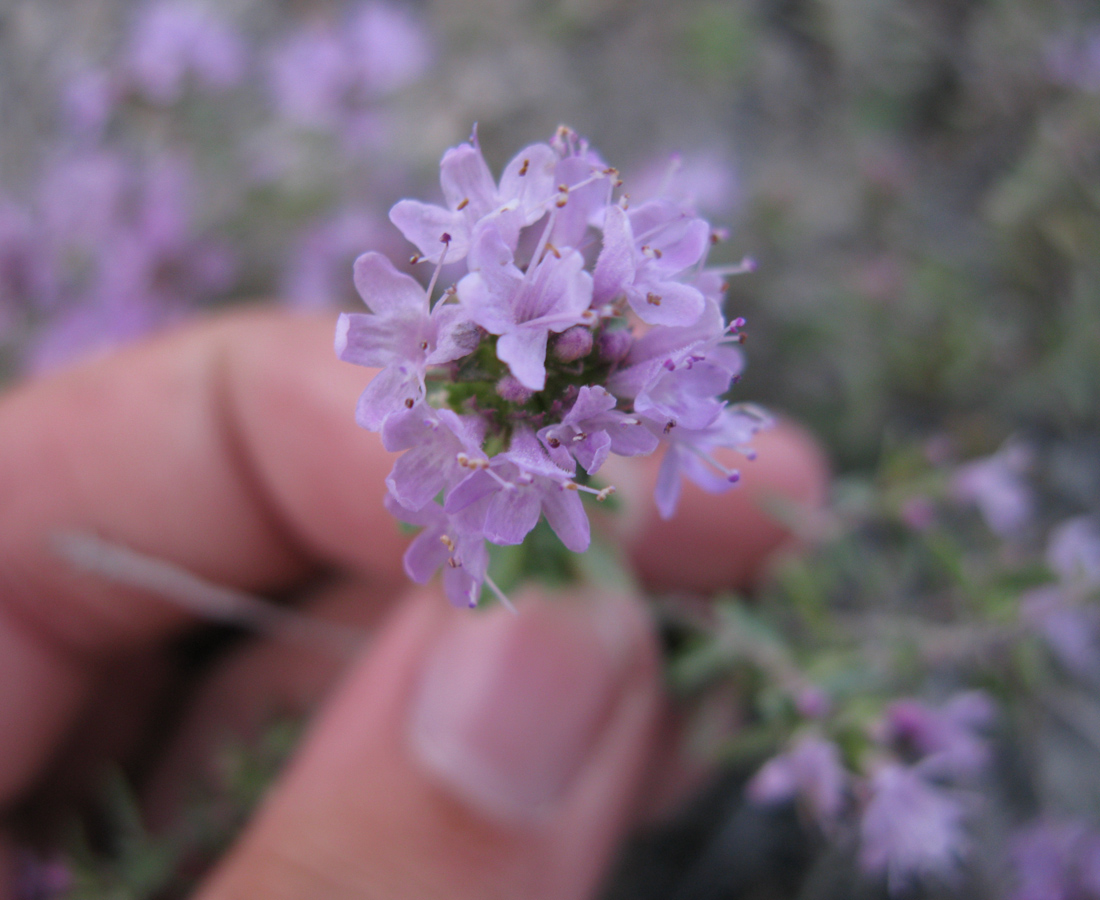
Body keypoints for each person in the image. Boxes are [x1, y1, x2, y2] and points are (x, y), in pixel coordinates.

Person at [0, 310, 827, 900]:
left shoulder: (580, 388)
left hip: (547, 441)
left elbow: (576, 372)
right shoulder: (464, 390)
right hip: (506, 437)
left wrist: (563, 421)